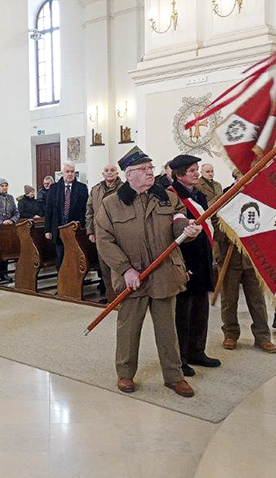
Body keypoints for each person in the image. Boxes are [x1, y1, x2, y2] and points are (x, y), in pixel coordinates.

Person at [95, 146, 200, 398]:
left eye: (150, 168)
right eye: (143, 169)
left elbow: (178, 221)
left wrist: (187, 230)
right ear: (129, 175)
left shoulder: (167, 197)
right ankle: (125, 374)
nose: (149, 173)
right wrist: (126, 269)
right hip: (133, 278)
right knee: (129, 329)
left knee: (167, 330)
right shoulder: (111, 204)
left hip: (164, 274)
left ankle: (174, 376)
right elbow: (104, 241)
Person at [169, 154, 220, 377]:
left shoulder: (199, 193)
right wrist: (182, 265)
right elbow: (172, 232)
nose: (196, 173)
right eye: (192, 170)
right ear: (179, 174)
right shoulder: (172, 196)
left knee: (201, 309)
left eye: (197, 169)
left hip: (202, 257)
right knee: (183, 313)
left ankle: (198, 351)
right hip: (186, 260)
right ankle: (181, 358)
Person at [86, 163, 123, 302]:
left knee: (118, 267)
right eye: (106, 170)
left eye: (112, 170)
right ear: (103, 174)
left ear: (117, 173)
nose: (109, 172)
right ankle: (111, 298)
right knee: (105, 269)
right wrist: (90, 231)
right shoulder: (95, 190)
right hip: (100, 234)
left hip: (119, 234)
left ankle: (121, 298)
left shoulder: (124, 188)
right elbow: (89, 212)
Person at [44, 162, 88, 267]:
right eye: (67, 171)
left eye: (72, 171)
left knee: (75, 256)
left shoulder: (82, 188)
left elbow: (85, 209)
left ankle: (74, 281)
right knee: (60, 255)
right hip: (59, 227)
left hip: (75, 228)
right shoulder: (54, 188)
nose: (70, 174)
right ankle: (62, 280)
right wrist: (47, 230)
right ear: (62, 173)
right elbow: (49, 210)